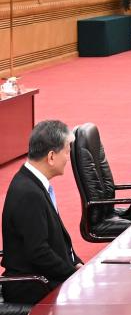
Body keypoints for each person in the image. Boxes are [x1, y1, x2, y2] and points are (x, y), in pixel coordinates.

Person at [1, 120, 83, 305]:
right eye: (67, 152)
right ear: (51, 156)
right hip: (34, 286)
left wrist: (76, 263)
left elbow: (56, 240)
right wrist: (73, 275)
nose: (68, 158)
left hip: (46, 276)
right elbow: (39, 252)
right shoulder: (28, 193)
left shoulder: (33, 183)